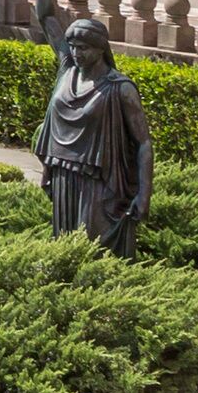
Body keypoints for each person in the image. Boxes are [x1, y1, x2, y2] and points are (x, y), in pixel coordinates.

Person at [34, 15, 153, 255]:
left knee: (94, 248)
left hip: (99, 182)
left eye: (83, 48)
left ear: (100, 49)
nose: (76, 53)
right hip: (63, 173)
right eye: (73, 47)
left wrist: (144, 195)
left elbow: (143, 142)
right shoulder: (67, 71)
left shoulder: (120, 88)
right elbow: (46, 16)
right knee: (65, 245)